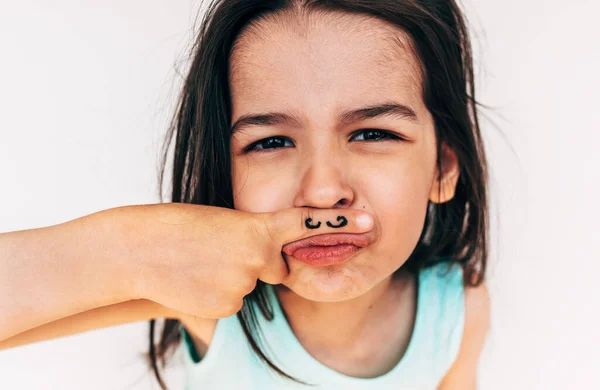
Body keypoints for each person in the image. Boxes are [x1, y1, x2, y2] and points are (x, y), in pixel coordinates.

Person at [0, 0, 492, 389]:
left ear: (443, 168)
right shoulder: (203, 302)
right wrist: (135, 248)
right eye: (271, 142)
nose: (322, 191)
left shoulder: (456, 309)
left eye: (372, 134)